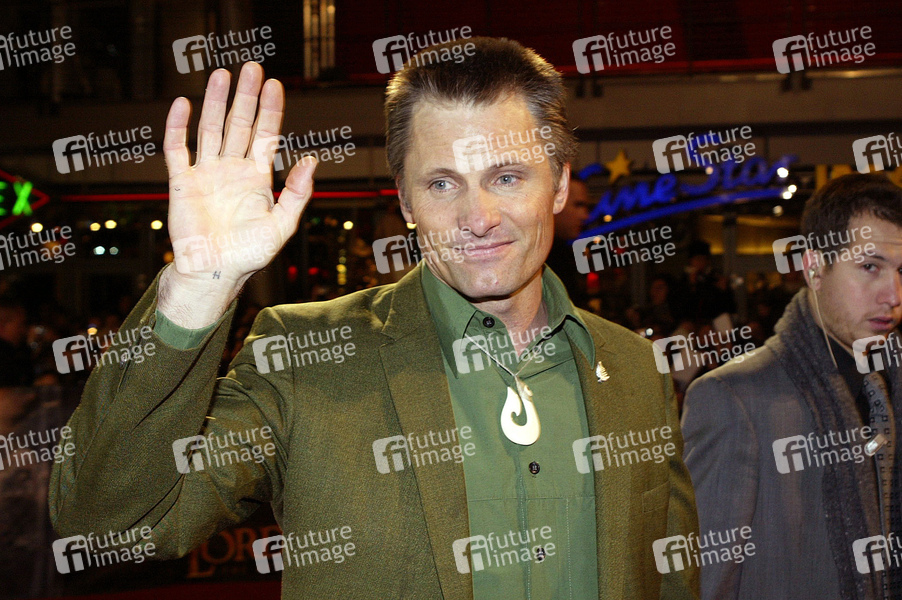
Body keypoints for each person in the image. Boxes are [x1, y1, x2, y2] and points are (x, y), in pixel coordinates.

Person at [50, 38, 698, 599]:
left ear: (557, 186)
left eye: (506, 177)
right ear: (406, 202)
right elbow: (109, 524)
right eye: (442, 183)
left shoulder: (633, 370)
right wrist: (198, 288)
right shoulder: (303, 356)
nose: (478, 218)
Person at [681, 173, 902, 599]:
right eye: (870, 267)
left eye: (901, 271)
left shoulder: (888, 389)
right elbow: (705, 584)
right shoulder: (732, 399)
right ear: (814, 268)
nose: (893, 295)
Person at [546, 174, 592, 307]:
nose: (585, 215)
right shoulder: (539, 260)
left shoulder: (564, 255)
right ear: (554, 203)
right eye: (578, 205)